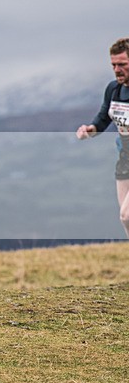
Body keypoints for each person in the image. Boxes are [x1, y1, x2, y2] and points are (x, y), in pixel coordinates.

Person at [76, 37, 129, 236]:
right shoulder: (113, 89)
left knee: (127, 215)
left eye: (122, 64)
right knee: (125, 219)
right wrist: (90, 130)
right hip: (125, 159)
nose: (117, 70)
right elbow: (103, 117)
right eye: (113, 65)